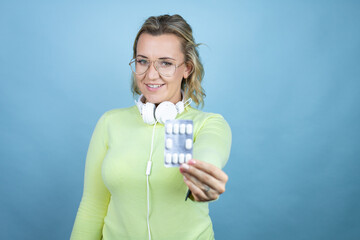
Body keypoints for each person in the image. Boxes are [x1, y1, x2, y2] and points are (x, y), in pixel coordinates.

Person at [70, 14, 232, 240]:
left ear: (186, 68)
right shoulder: (110, 123)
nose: (151, 75)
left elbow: (209, 153)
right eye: (142, 61)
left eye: (166, 63)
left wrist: (204, 178)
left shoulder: (208, 124)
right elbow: (93, 205)